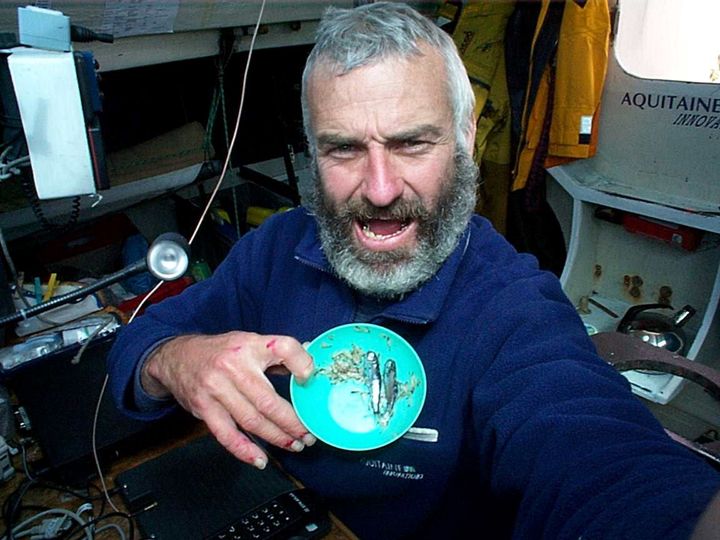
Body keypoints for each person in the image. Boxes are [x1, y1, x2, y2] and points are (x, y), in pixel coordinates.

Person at [108, 3, 720, 538]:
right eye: (344, 148)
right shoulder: (275, 248)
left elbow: (594, 454)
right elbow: (137, 350)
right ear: (313, 152)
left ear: (466, 138)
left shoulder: (513, 310)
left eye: (411, 144)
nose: (379, 189)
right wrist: (176, 360)